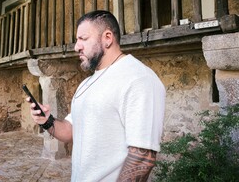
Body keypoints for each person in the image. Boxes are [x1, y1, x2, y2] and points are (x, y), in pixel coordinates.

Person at [28, 10, 165, 181]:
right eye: (77, 40)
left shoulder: (138, 78)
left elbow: (142, 158)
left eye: (83, 39)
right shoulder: (86, 84)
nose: (76, 47)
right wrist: (47, 120)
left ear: (107, 38)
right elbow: (70, 131)